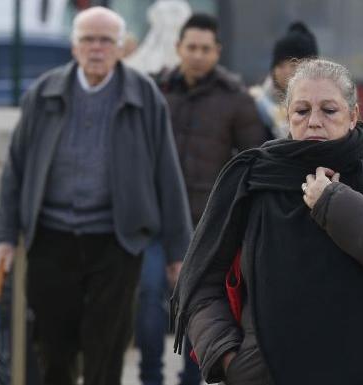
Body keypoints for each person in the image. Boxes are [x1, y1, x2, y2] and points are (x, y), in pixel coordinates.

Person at [171, 59, 363, 385]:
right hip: (265, 375)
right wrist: (230, 359)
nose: (314, 122)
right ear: (288, 116)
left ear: (353, 115)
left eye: (329, 110)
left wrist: (334, 202)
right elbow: (200, 278)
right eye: (302, 111)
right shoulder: (251, 179)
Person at [0, 7, 192, 385]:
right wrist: (3, 236)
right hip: (51, 238)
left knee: (106, 349)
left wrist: (179, 252)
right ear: (73, 46)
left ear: (121, 47)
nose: (96, 48)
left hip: (117, 240)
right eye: (87, 40)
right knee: (53, 349)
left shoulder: (144, 96)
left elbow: (167, 174)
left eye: (105, 41)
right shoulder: (43, 93)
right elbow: (14, 170)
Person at [136, 13, 266, 385]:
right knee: (148, 297)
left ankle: (193, 378)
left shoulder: (236, 99)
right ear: (178, 48)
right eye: (191, 47)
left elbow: (254, 159)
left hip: (208, 225)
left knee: (199, 306)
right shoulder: (154, 91)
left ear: (217, 52)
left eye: (205, 49)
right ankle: (150, 377)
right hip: (155, 221)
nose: (197, 55)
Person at [250, 21, 318, 139]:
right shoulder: (257, 104)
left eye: (293, 65)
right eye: (280, 65)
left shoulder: (328, 105)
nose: (286, 71)